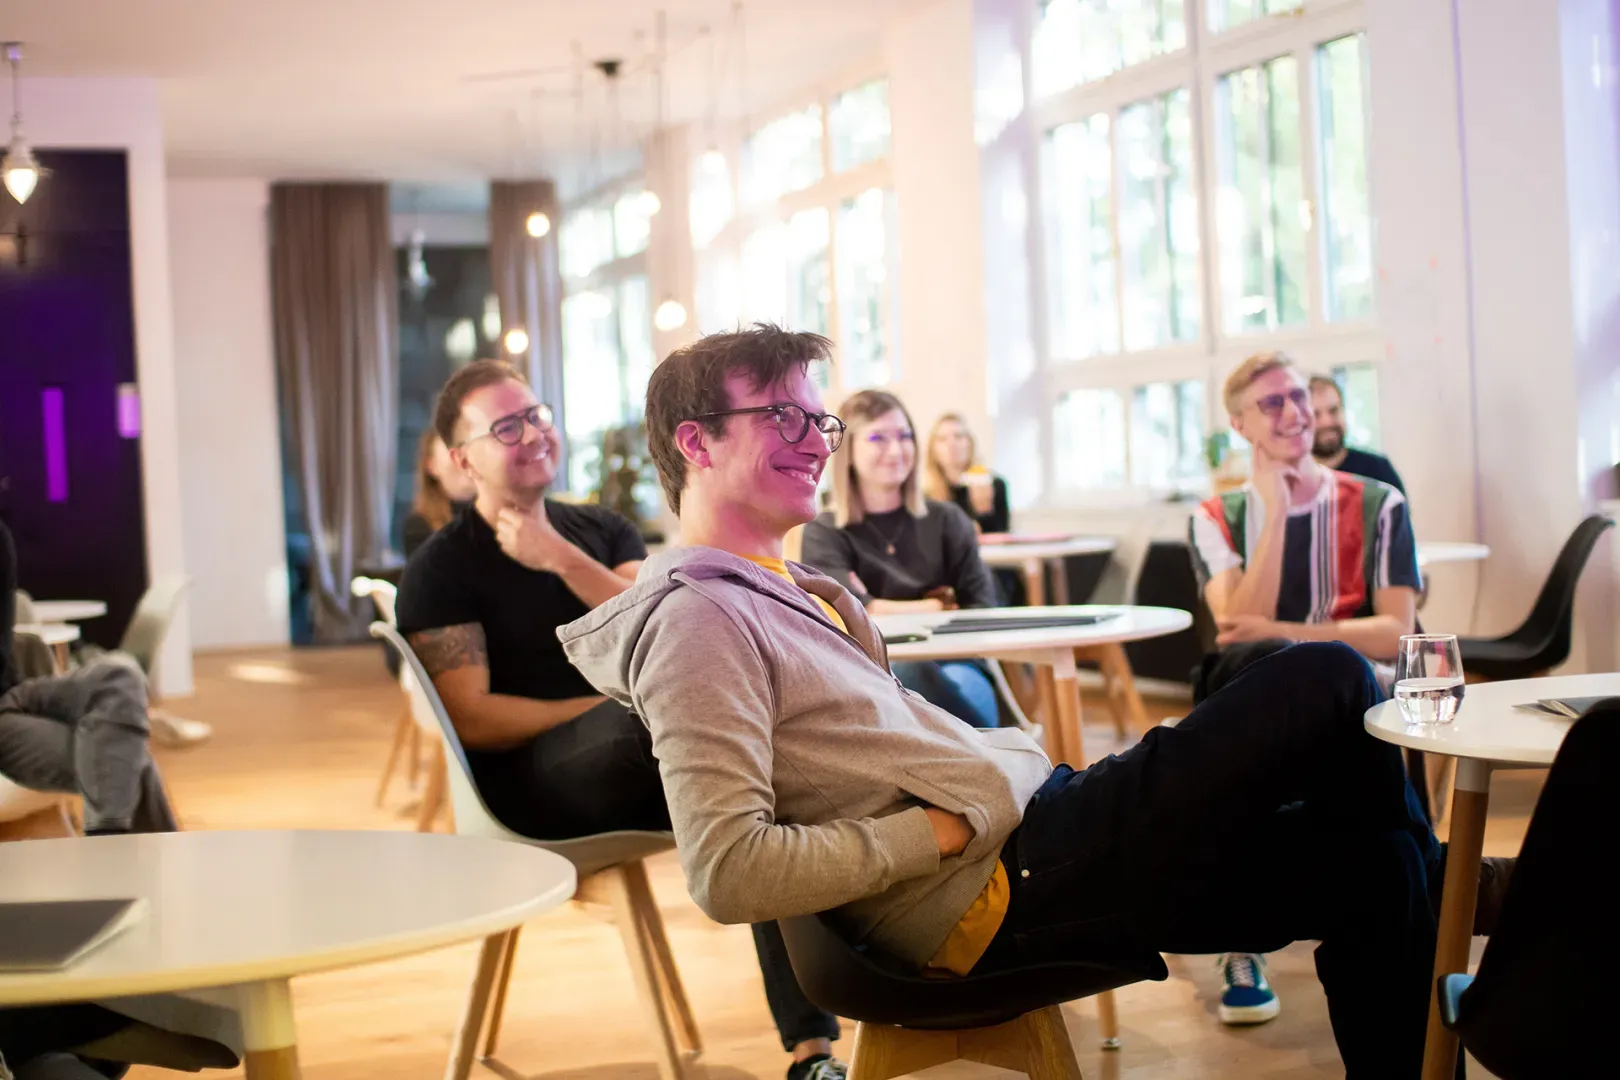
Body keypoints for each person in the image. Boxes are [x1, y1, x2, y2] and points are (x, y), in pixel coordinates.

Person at [557, 324, 1505, 1080]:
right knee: (1327, 676)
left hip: (1037, 829)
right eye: (786, 420)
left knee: (1377, 870)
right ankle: (1461, 875)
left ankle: (1433, 875)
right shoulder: (697, 623)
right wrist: (929, 836)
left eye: (822, 423)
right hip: (1000, 878)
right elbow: (727, 872)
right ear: (695, 441)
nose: (818, 445)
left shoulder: (781, 586)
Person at [394, 360, 846, 1080]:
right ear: (461, 460)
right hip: (527, 788)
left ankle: (814, 1049)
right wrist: (629, 702)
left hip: (645, 752)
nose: (533, 433)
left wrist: (558, 558)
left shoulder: (600, 530)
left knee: (763, 773)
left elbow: (666, 619)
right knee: (696, 713)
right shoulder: (441, 569)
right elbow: (474, 721)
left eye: (537, 415)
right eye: (506, 426)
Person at [1187, 353, 1422, 1024]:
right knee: (1256, 664)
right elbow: (1236, 628)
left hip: (1352, 689)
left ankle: (1390, 893)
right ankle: (1415, 883)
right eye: (1272, 404)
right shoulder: (1216, 514)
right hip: (1256, 689)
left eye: (1298, 397)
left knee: (1333, 681)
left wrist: (1292, 630)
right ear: (1240, 424)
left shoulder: (1378, 503)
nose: (1294, 413)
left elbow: (1396, 628)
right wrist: (1278, 513)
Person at [800, 390, 1001, 729]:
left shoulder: (948, 520)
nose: (896, 450)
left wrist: (876, 604)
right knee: (902, 674)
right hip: (868, 671)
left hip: (954, 659)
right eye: (878, 438)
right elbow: (843, 616)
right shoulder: (825, 531)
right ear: (848, 451)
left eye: (904, 436)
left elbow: (980, 607)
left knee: (944, 686)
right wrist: (937, 604)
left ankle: (991, 763)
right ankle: (1001, 760)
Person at [0, 519, 176, 835]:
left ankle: (105, 845)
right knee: (130, 763)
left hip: (13, 696)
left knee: (120, 673)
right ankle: (117, 850)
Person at [923, 413, 1024, 606]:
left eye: (959, 436)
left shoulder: (994, 485)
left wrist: (983, 510)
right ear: (933, 449)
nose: (952, 444)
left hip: (992, 569)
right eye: (943, 439)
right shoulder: (926, 496)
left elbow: (1000, 535)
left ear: (970, 443)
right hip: (949, 574)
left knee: (988, 580)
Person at [1309, 375, 1406, 493]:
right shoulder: (1290, 480)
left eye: (1333, 411)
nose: (1327, 422)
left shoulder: (1379, 470)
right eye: (1315, 414)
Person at [403, 426, 477, 561]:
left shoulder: (503, 515)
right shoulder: (418, 527)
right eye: (452, 451)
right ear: (431, 466)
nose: (462, 459)